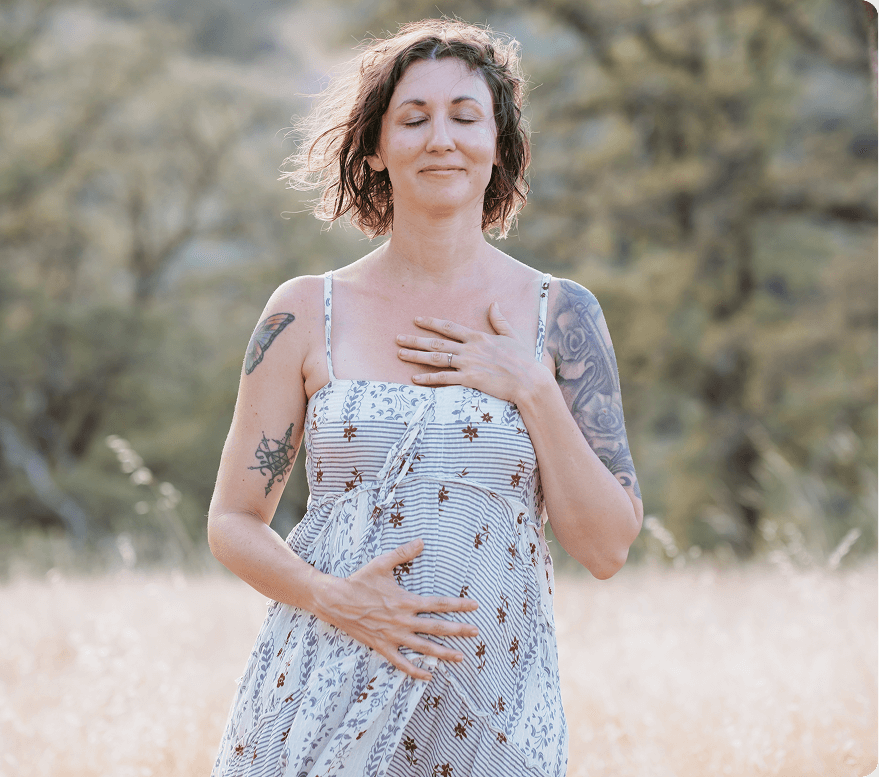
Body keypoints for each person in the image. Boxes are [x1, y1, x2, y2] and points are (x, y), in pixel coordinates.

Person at [207, 18, 644, 777]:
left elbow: (606, 547)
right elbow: (232, 520)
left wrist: (530, 387)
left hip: (492, 716)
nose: (441, 138)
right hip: (323, 692)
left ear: (499, 144)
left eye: (466, 117)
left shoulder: (562, 314)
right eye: (414, 119)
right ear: (376, 146)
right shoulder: (306, 310)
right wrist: (331, 596)